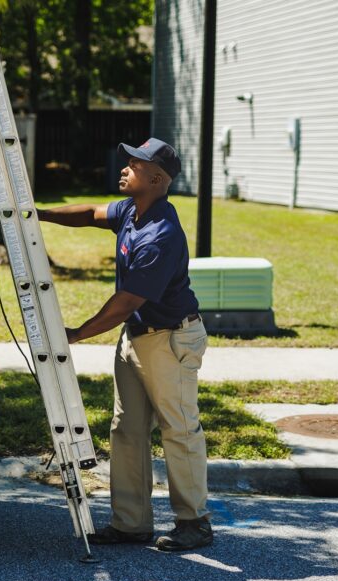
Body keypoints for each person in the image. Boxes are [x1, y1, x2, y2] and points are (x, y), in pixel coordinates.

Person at [36, 138, 212, 552]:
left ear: (155, 179)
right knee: (127, 430)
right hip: (136, 337)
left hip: (170, 339)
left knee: (179, 430)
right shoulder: (132, 212)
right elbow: (91, 214)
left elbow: (126, 302)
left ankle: (195, 523)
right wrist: (37, 215)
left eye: (133, 165)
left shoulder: (160, 235)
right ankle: (132, 524)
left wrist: (77, 332)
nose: (124, 169)